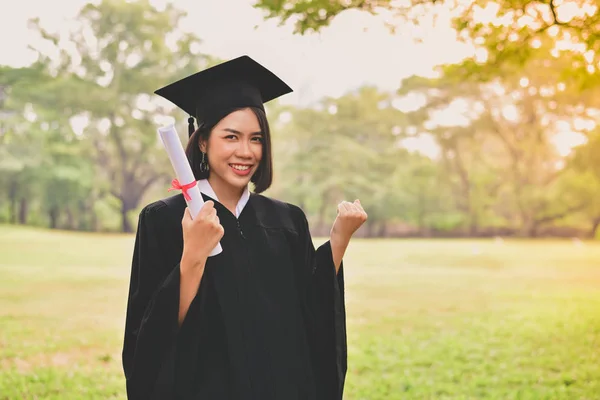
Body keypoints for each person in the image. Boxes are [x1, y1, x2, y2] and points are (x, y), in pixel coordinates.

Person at [121, 55, 367, 400]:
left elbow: (311, 314)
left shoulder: (287, 221)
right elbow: (151, 337)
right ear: (203, 141)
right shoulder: (165, 218)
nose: (246, 151)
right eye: (231, 137)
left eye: (256, 139)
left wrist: (339, 238)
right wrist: (193, 254)